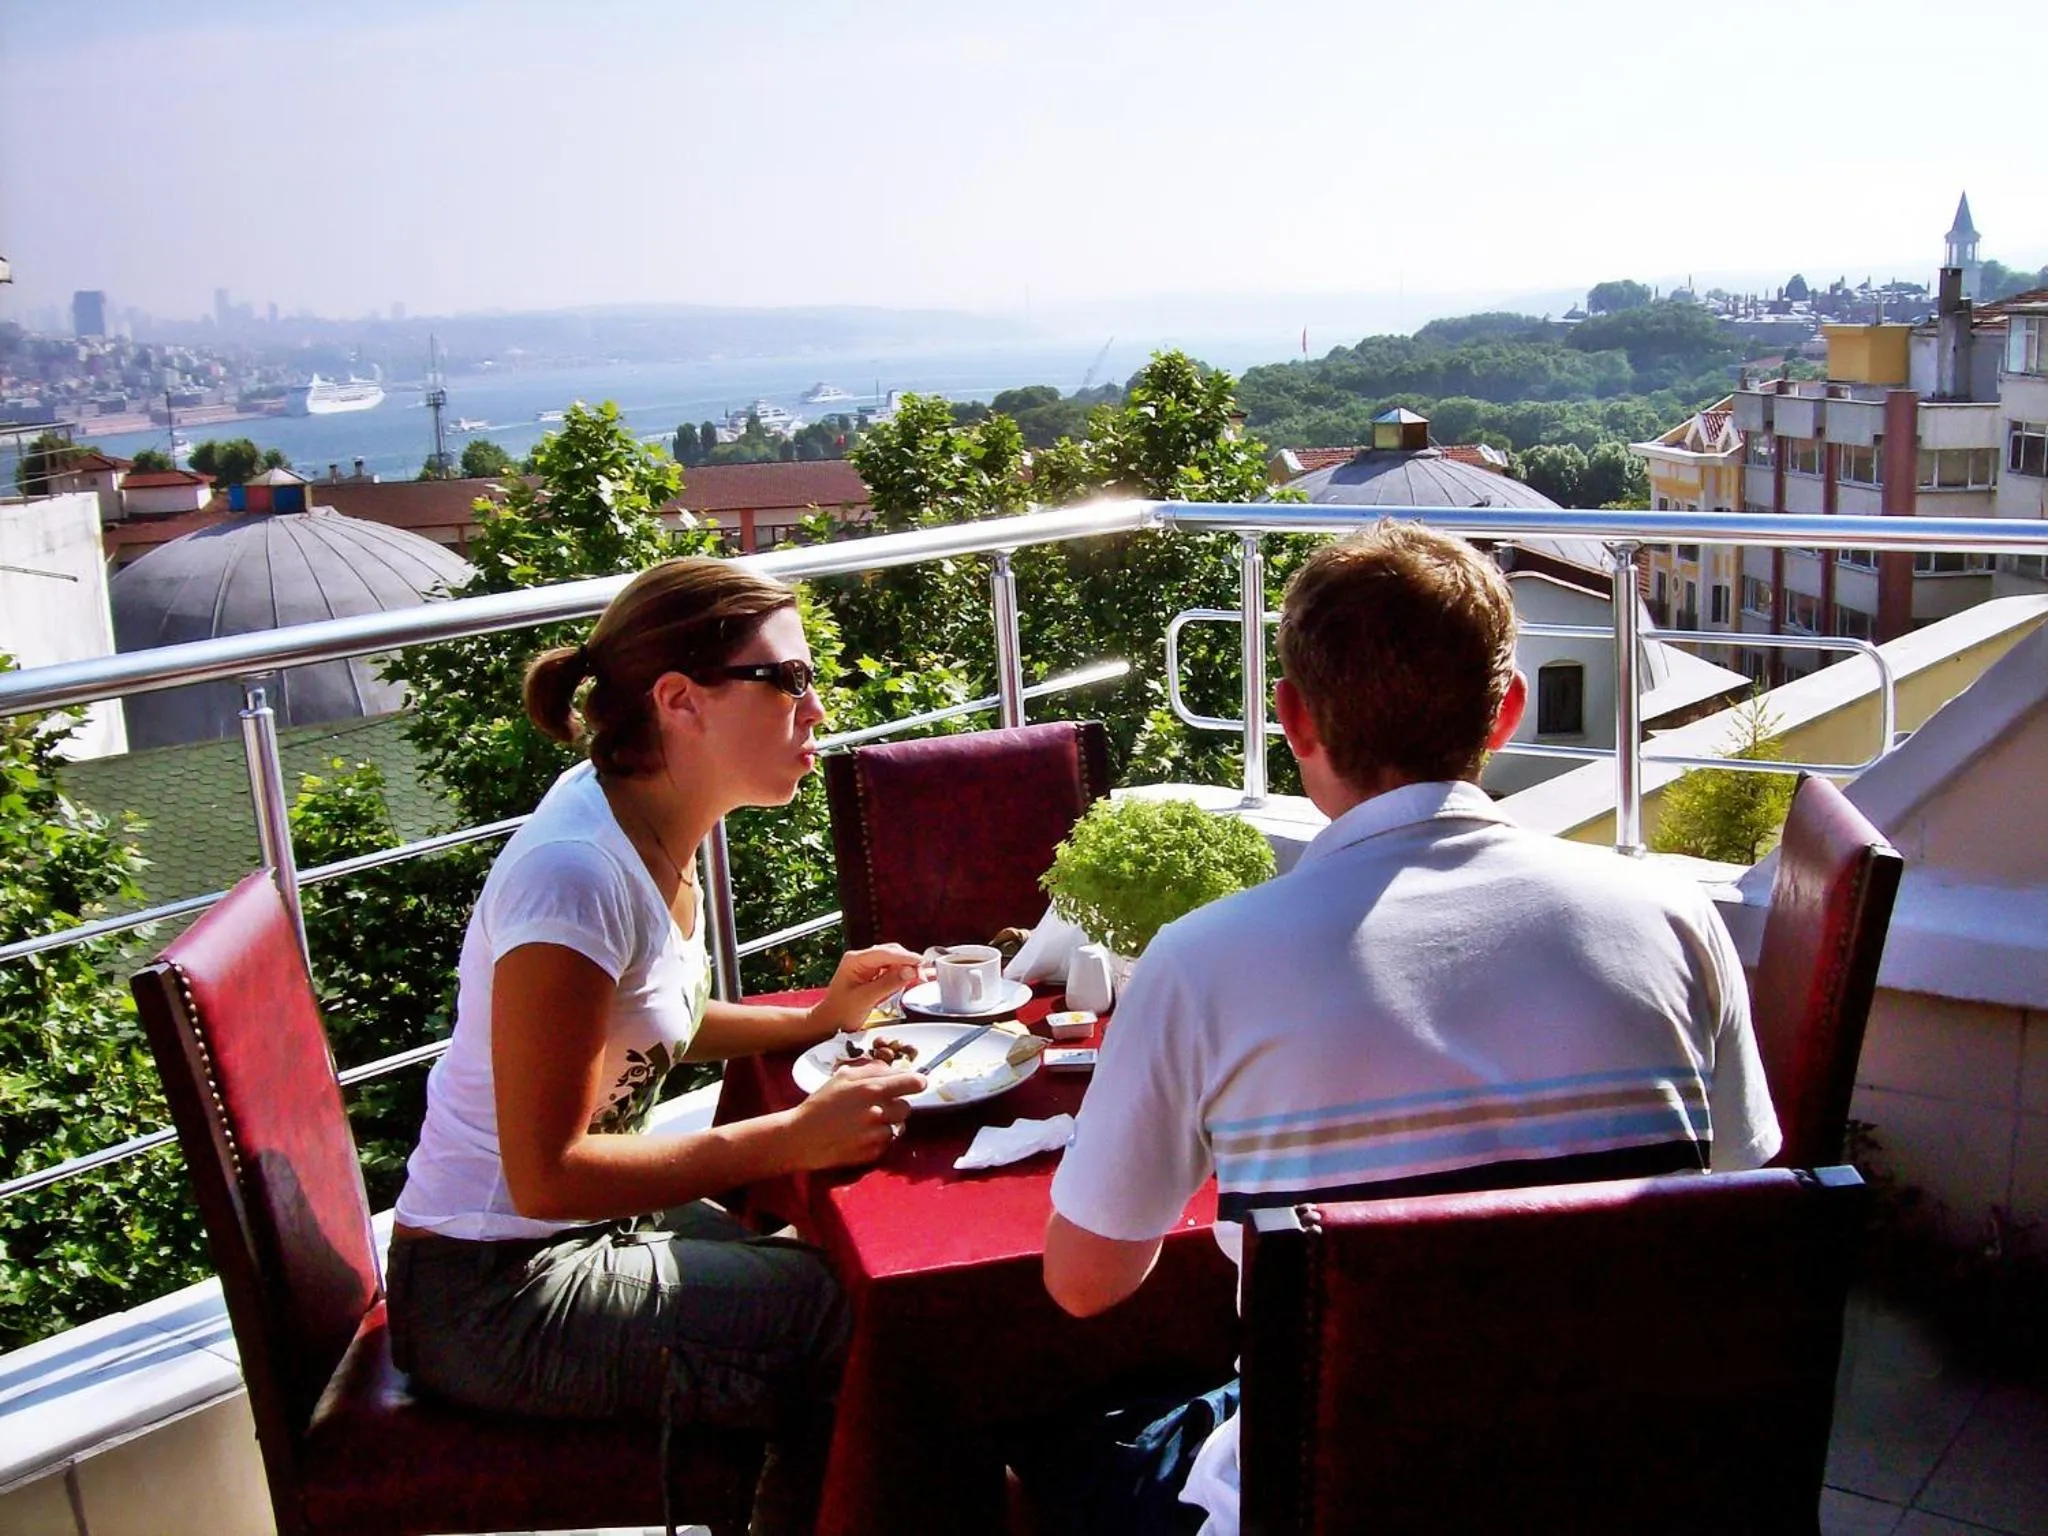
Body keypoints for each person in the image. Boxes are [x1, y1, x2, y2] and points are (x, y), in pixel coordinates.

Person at [1031, 522, 1782, 1536]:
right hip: (1620, 1484)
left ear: (1290, 715)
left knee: (1053, 1441)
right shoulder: (1675, 923)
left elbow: (1083, 1285)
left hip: (1339, 1495)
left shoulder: (1205, 960)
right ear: (1506, 710)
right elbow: (1739, 1214)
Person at [386, 556, 927, 1532]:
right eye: (789, 681)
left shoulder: (649, 821)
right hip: (490, 1292)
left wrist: (814, 1020)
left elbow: (647, 1027)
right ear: (680, 701)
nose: (818, 709)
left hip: (563, 1244)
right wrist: (790, 1138)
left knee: (854, 1272)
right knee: (846, 1318)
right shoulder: (575, 879)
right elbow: (545, 1174)